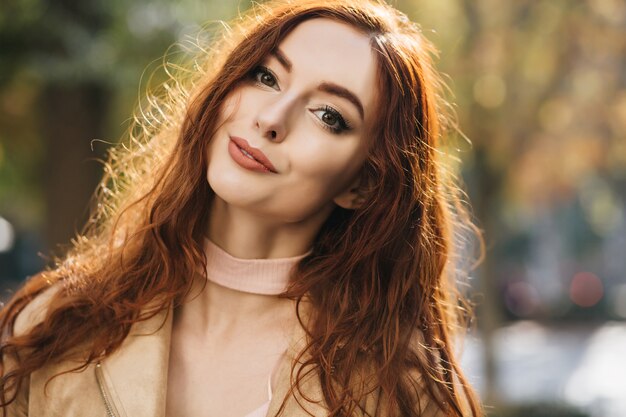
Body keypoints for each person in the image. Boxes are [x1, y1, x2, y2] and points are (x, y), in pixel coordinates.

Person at [0, 0, 483, 416]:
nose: (270, 120)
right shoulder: (51, 327)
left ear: (363, 185)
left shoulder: (402, 392)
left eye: (329, 116)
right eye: (265, 76)